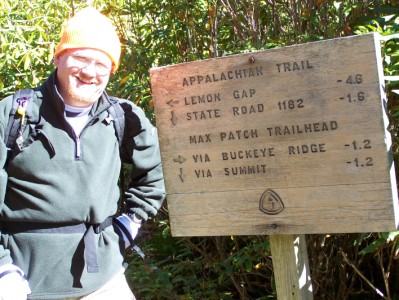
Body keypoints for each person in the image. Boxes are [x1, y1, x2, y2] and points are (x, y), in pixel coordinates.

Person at [0, 7, 165, 299]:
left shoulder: (121, 116)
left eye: (102, 64)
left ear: (112, 70)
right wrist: (3, 270)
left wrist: (130, 223)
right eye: (80, 58)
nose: (90, 72)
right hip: (22, 282)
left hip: (105, 279)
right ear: (58, 58)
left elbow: (155, 173)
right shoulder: (14, 114)